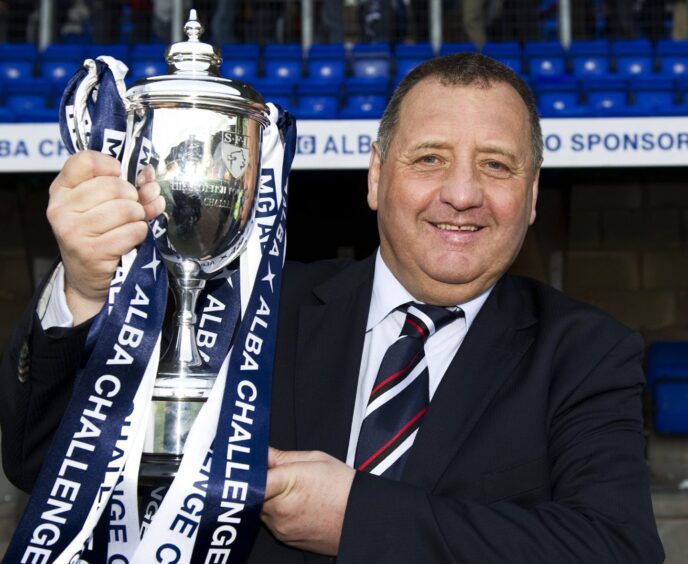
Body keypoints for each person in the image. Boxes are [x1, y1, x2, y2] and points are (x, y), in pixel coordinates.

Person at [0, 53, 664, 562]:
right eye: (429, 158)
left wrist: (356, 516)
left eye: (496, 166)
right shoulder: (249, 307)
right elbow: (43, 463)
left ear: (534, 194)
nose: (462, 193)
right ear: (377, 176)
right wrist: (86, 288)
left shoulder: (587, 353)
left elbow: (616, 548)